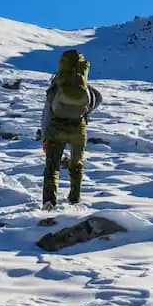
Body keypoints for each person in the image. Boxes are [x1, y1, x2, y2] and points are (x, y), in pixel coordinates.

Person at [42, 50, 103, 210]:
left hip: (56, 127)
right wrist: (84, 112)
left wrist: (44, 136)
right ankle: (74, 198)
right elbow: (98, 99)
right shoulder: (83, 85)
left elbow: (47, 111)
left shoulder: (57, 84)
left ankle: (49, 201)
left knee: (52, 166)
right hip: (78, 127)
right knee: (76, 164)